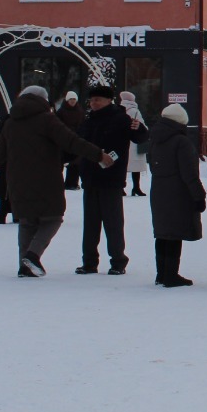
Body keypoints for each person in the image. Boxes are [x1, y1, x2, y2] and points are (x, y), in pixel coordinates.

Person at [0, 86, 111, 277]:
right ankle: (32, 256)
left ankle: (24, 267)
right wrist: (98, 155)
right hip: (46, 178)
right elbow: (71, 141)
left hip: (17, 180)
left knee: (27, 221)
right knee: (53, 218)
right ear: (42, 99)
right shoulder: (47, 120)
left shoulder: (11, 122)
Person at [74, 85, 147, 276]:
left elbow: (141, 138)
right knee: (90, 224)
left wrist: (139, 128)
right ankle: (89, 262)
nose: (94, 103)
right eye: (91, 100)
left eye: (98, 99)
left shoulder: (121, 118)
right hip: (90, 178)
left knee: (113, 223)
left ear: (109, 100)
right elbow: (77, 142)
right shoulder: (88, 121)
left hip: (111, 178)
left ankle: (118, 261)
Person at [147, 104, 205, 287]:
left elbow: (151, 163)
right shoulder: (181, 142)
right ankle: (171, 275)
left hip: (158, 191)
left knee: (163, 233)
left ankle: (161, 274)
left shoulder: (155, 138)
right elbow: (189, 173)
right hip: (178, 193)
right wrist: (199, 196)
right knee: (174, 234)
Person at [119, 91, 149, 196]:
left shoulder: (119, 110)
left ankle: (121, 188)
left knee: (123, 166)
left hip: (123, 141)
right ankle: (136, 188)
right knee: (136, 167)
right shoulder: (134, 111)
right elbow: (143, 126)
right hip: (135, 142)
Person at [56, 91, 85, 189]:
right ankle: (58, 182)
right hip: (64, 140)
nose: (72, 101)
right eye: (71, 99)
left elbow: (82, 124)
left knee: (75, 163)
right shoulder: (61, 112)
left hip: (76, 139)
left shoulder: (80, 111)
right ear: (67, 100)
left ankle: (72, 183)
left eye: (74, 99)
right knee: (59, 163)